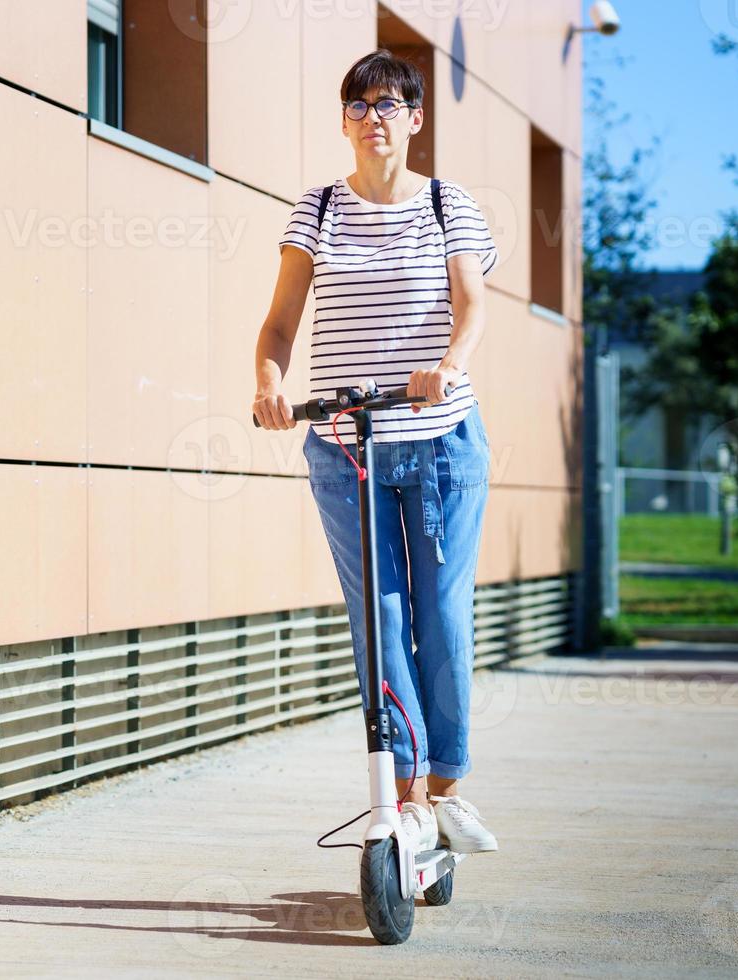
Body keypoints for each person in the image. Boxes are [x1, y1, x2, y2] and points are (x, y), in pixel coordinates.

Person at [251, 49, 499, 856]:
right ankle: (402, 798)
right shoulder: (317, 209)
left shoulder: (446, 204)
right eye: (358, 105)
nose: (372, 117)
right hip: (345, 444)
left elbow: (472, 303)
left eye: (389, 104)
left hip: (438, 444)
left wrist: (448, 366)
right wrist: (269, 383)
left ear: (415, 119)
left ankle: (448, 784)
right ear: (344, 118)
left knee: (441, 616)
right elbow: (282, 323)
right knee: (380, 622)